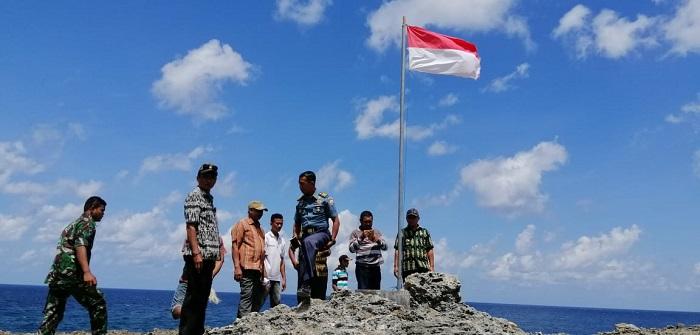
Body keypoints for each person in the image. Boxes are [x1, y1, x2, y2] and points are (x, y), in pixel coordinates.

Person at [39, 196, 108, 335]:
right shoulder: (87, 224)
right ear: (92, 209)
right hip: (72, 273)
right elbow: (80, 244)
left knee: (53, 313)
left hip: (57, 274)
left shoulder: (73, 224)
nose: (103, 213)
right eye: (101, 210)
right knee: (98, 304)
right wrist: (86, 271)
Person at [179, 163, 221, 335]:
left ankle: (197, 332)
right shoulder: (194, 196)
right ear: (198, 178)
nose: (209, 180)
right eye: (205, 176)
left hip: (209, 256)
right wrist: (196, 253)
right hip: (199, 255)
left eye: (212, 177)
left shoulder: (208, 198)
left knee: (202, 300)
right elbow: (191, 226)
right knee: (193, 300)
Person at [293, 170, 340, 300]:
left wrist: (333, 239)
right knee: (303, 261)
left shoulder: (325, 199)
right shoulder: (300, 203)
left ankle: (307, 283)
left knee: (310, 243)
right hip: (305, 238)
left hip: (321, 234)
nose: (300, 186)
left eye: (302, 184)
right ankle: (303, 292)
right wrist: (295, 240)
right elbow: (296, 224)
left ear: (311, 183)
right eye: (299, 184)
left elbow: (335, 220)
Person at [170, 237, 226, 319]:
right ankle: (193, 314)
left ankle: (190, 313)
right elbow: (220, 260)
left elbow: (186, 256)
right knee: (198, 312)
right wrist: (210, 276)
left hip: (187, 279)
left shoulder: (192, 235)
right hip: (205, 281)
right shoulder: (217, 238)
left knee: (176, 309)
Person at [231, 200, 267, 319]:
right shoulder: (242, 224)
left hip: (258, 268)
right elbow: (235, 245)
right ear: (250, 211)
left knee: (257, 297)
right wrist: (237, 267)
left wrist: (263, 272)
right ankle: (243, 324)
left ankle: (245, 322)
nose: (260, 213)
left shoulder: (260, 229)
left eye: (261, 211)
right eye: (258, 211)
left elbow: (262, 251)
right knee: (247, 296)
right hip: (246, 267)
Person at [348, 210, 388, 290]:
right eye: (365, 222)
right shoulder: (355, 233)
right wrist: (361, 238)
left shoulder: (377, 232)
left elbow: (385, 247)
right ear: (360, 221)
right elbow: (351, 249)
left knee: (376, 293)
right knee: (363, 293)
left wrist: (377, 240)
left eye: (370, 221)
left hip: (375, 267)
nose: (368, 224)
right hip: (362, 267)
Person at [393, 208, 434, 281]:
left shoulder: (424, 232)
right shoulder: (402, 233)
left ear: (418, 218)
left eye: (414, 217)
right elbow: (397, 250)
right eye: (410, 217)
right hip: (407, 268)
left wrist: (432, 266)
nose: (412, 219)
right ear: (406, 219)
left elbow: (429, 249)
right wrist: (396, 267)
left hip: (422, 267)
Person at [261, 213, 287, 308]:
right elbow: (262, 258)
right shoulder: (266, 237)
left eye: (281, 223)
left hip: (277, 278)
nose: (279, 225)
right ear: (271, 223)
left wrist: (284, 278)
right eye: (277, 223)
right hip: (266, 277)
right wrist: (264, 276)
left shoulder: (282, 240)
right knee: (259, 302)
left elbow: (282, 261)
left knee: (276, 305)